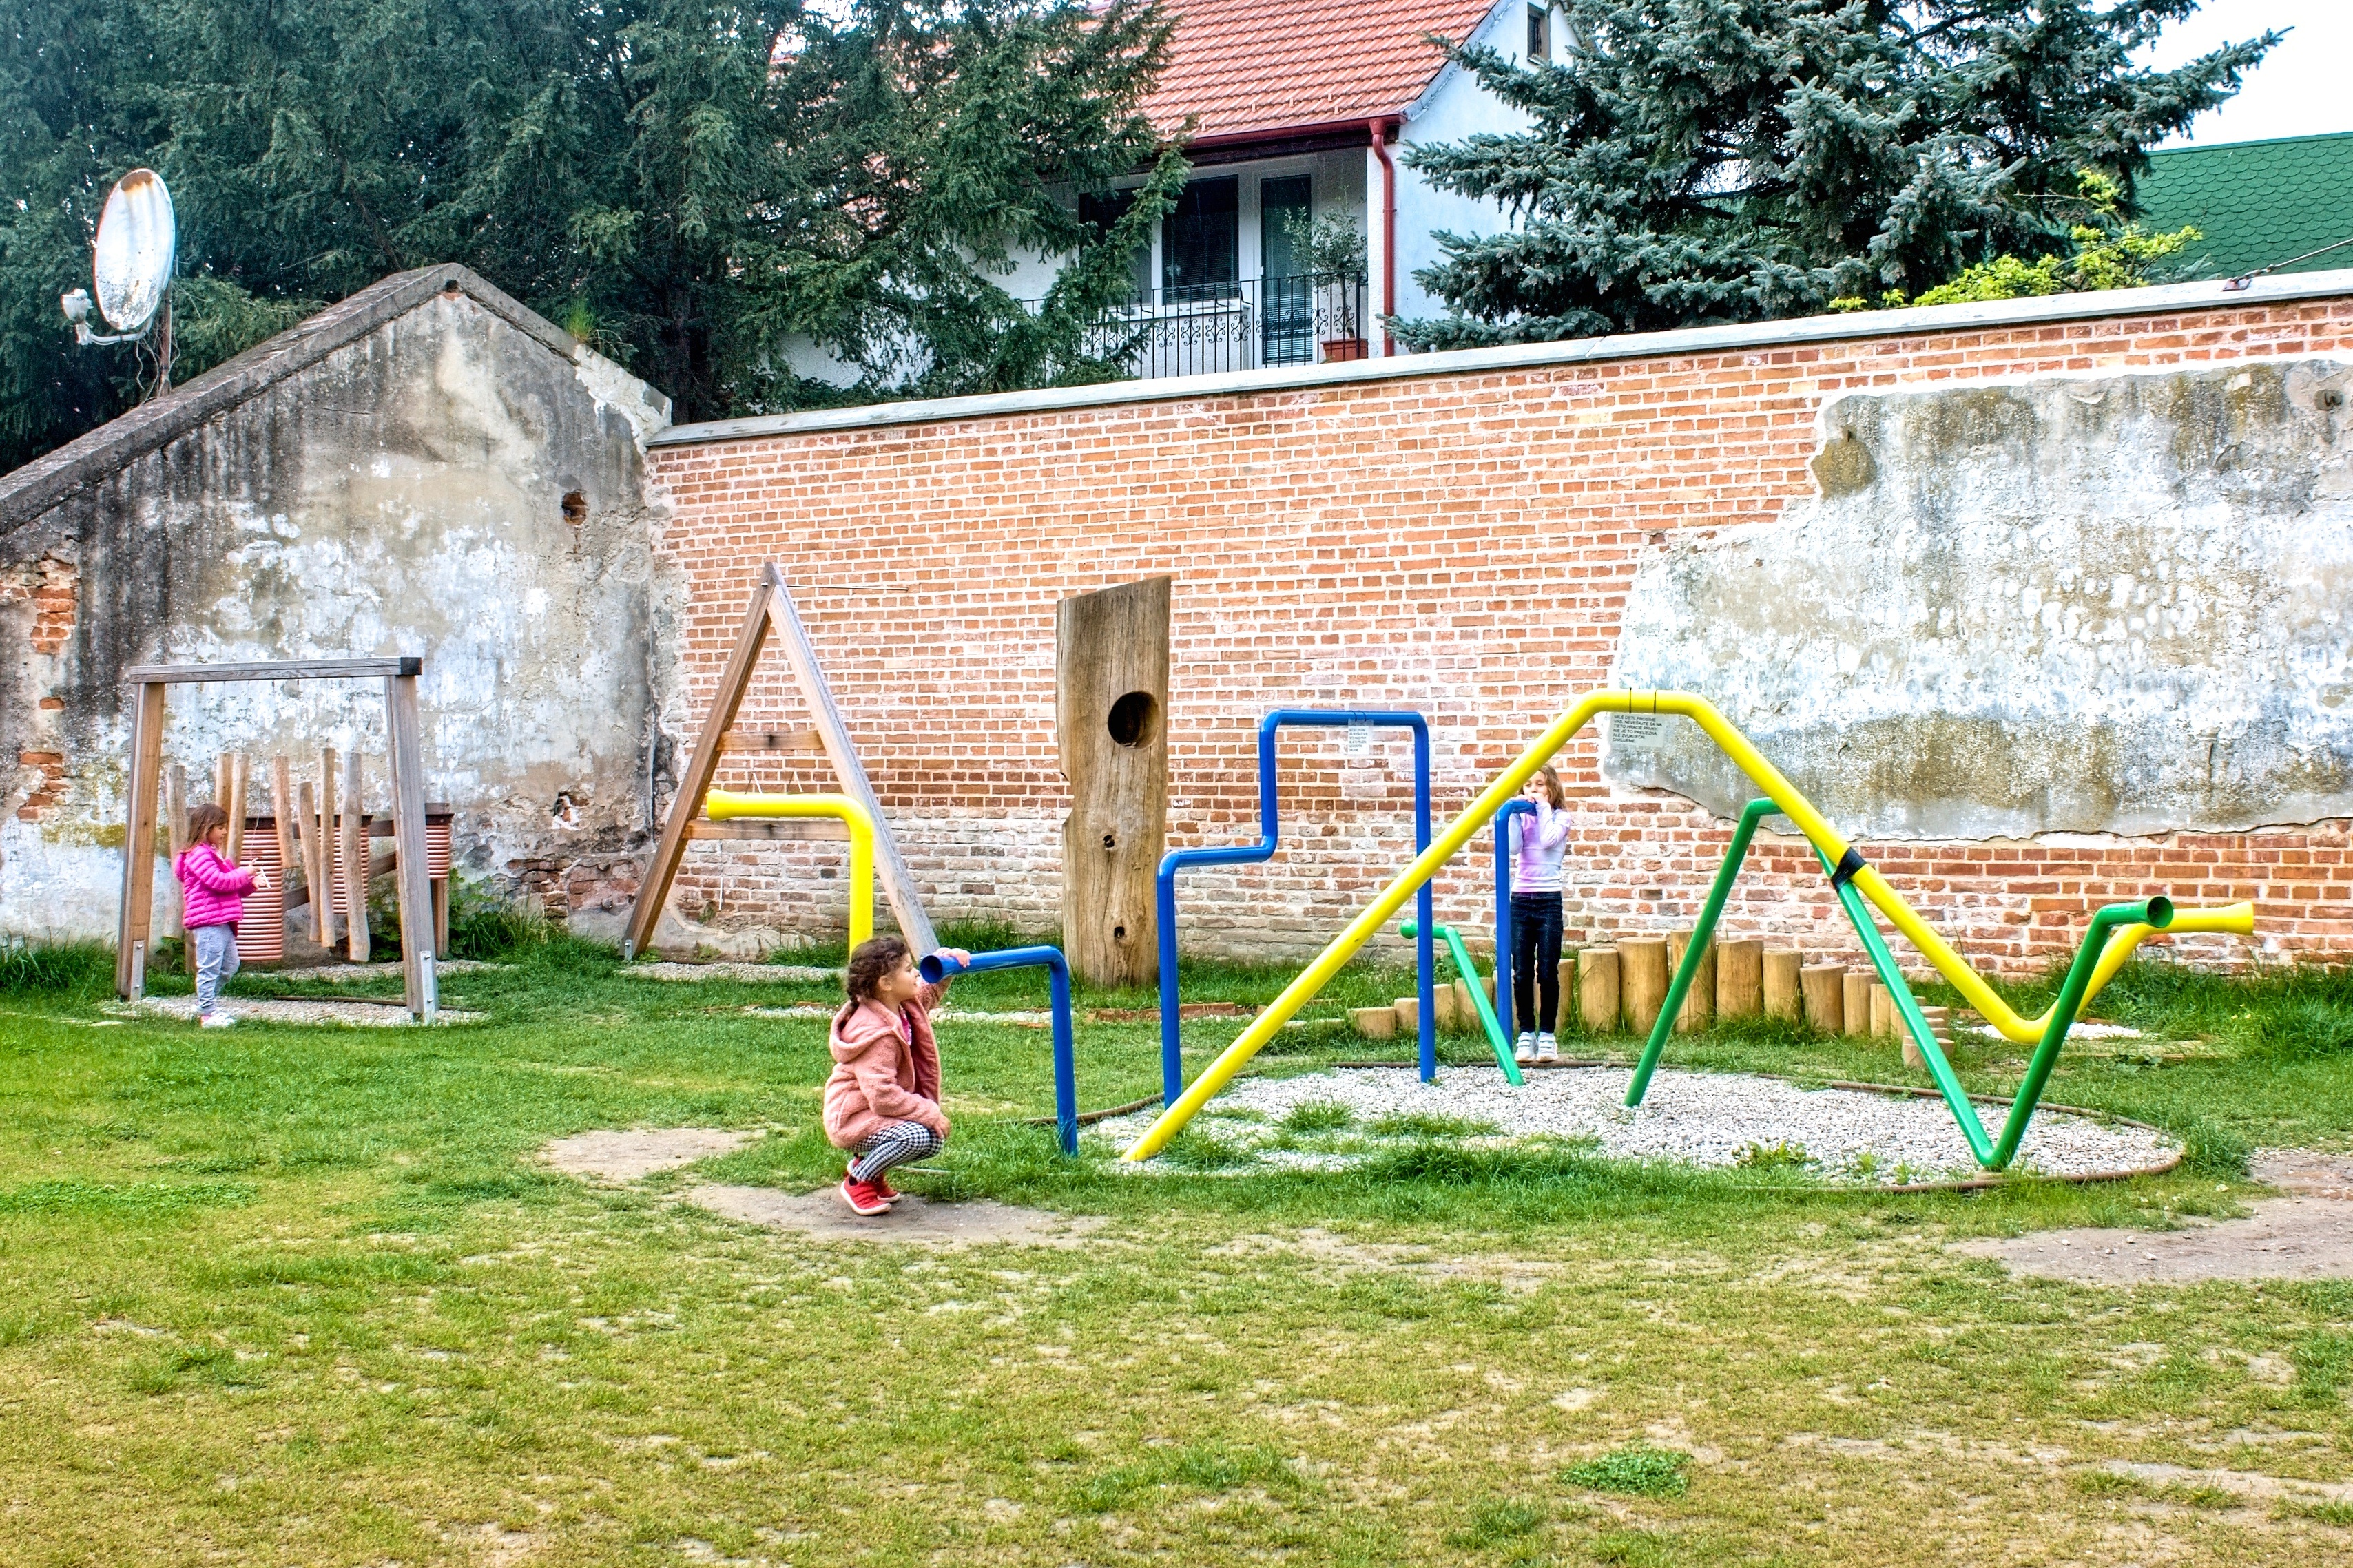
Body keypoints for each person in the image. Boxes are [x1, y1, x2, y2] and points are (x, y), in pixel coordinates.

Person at [824, 934, 971, 1215]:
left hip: (873, 1113)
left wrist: (944, 961)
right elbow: (882, 1096)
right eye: (908, 969)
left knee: (931, 1138)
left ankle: (870, 1169)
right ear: (886, 984)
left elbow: (928, 993)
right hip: (852, 1118)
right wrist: (928, 1112)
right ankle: (858, 1181)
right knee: (917, 1137)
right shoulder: (876, 1034)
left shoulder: (901, 1005)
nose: (916, 974)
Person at [173, 802, 271, 1029]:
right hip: (209, 922)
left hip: (223, 921)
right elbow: (219, 882)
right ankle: (208, 1014)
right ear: (205, 828)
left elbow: (231, 888)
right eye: (220, 827)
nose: (225, 832)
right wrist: (244, 872)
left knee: (230, 966)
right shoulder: (199, 854)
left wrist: (251, 883)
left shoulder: (213, 855)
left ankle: (204, 1004)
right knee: (210, 968)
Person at [1508, 764, 1571, 1065]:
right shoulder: (1521, 816)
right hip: (1521, 900)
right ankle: (1526, 1034)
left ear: (1552, 788)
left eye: (1540, 784)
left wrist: (1543, 808)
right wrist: (1512, 814)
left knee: (1547, 971)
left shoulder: (1561, 817)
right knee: (1521, 972)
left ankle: (1547, 1035)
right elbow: (1513, 848)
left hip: (1548, 902)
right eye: (1528, 785)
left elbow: (1547, 840)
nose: (1533, 790)